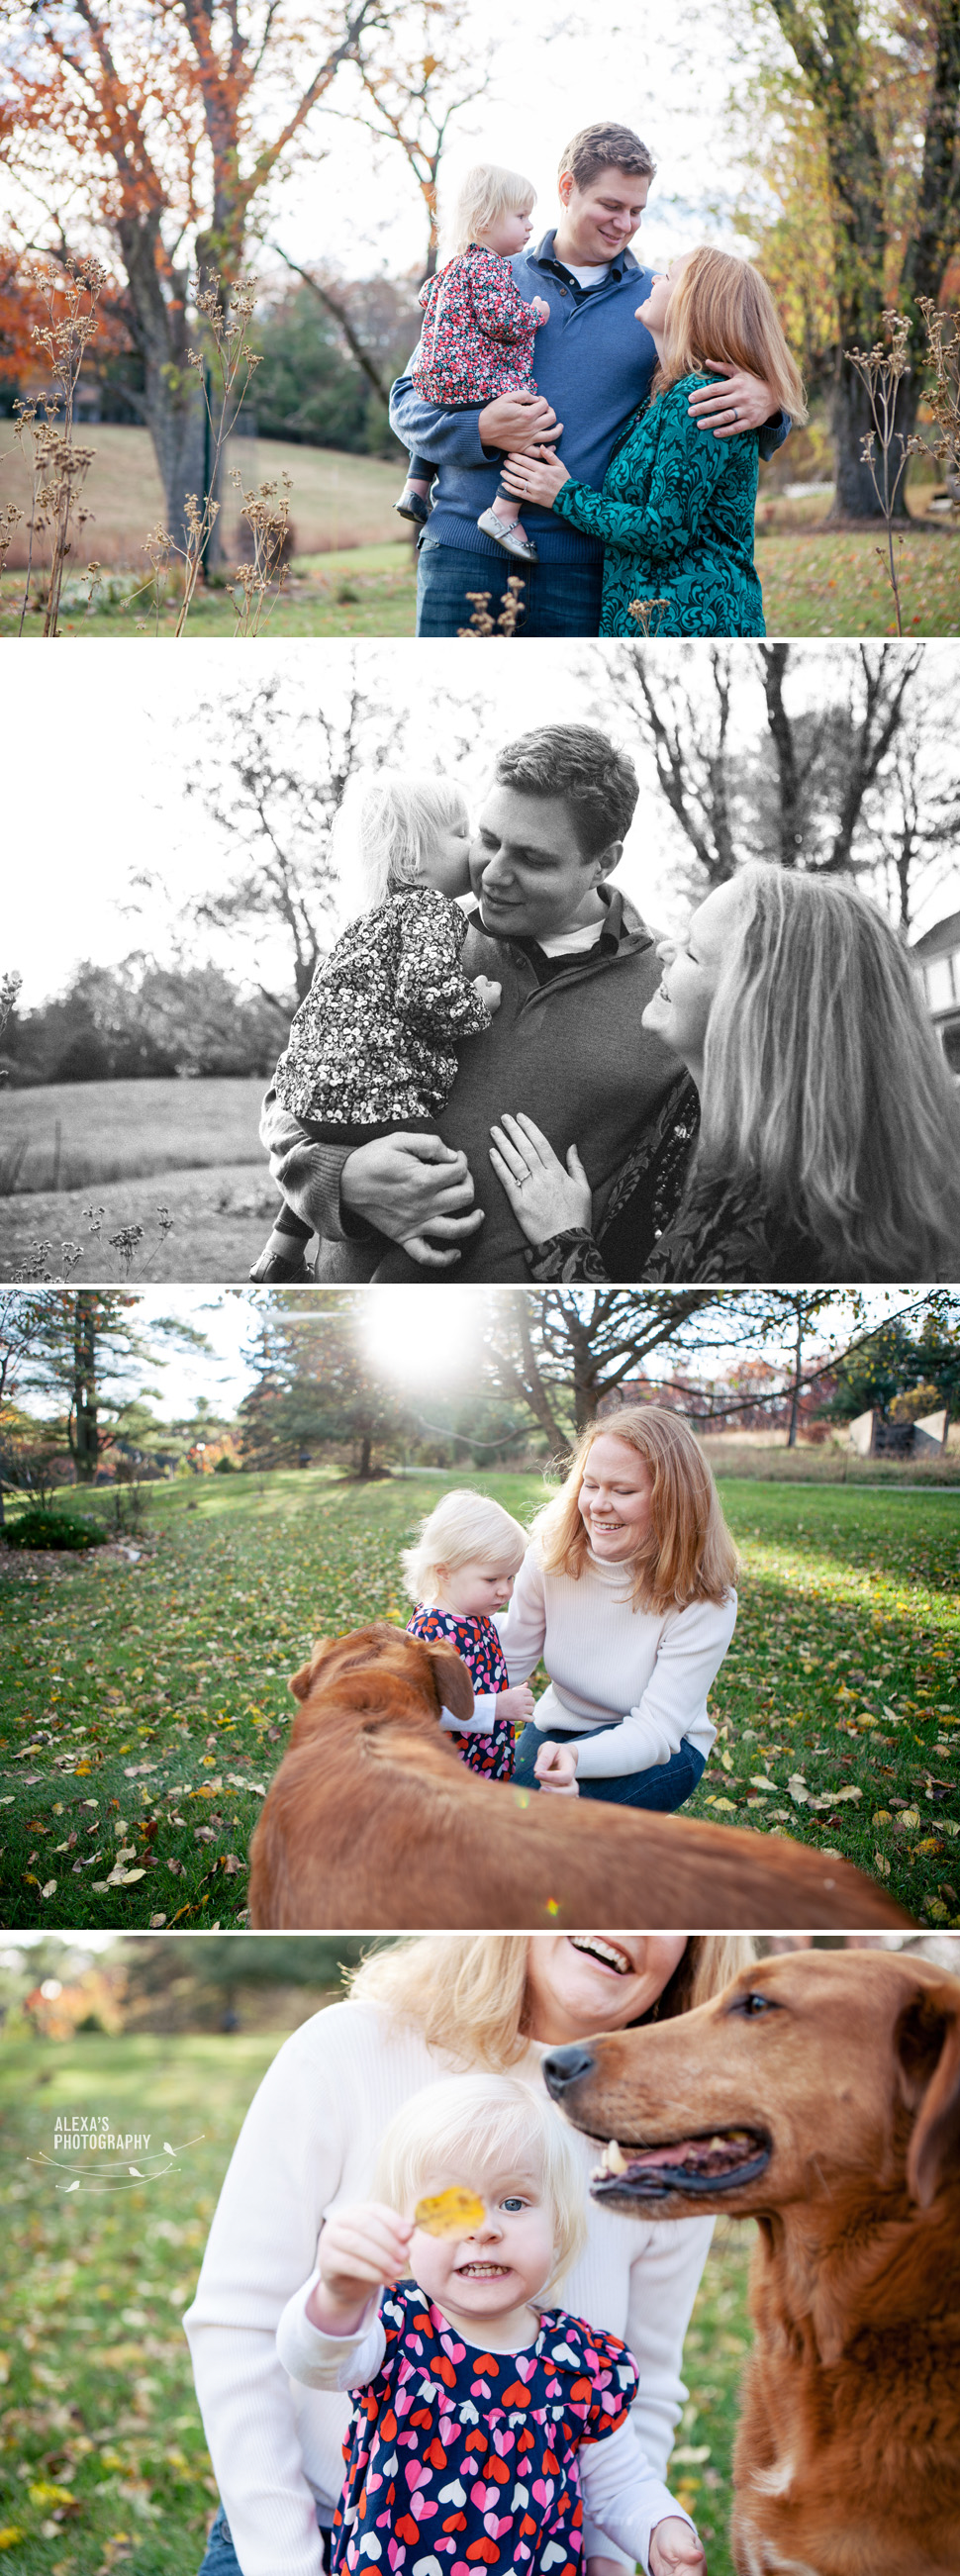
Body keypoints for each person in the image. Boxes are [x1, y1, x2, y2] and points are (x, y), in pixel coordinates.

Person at [185, 1931, 753, 2576]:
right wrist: (285, 2561)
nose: (625, 1919)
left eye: (515, 2204)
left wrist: (623, 2548)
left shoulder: (670, 2139)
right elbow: (264, 2334)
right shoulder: (346, 2051)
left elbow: (636, 2401)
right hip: (314, 2537)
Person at [256, 726, 682, 1286]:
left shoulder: (672, 989)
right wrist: (339, 1178)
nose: (493, 874)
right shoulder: (407, 936)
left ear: (603, 863)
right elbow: (289, 1099)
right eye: (487, 839)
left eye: (532, 859)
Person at [276, 2072, 706, 2576]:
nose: (484, 2229)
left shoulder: (583, 2363)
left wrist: (661, 2525)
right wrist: (339, 2294)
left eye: (514, 2203)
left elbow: (617, 2484)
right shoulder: (392, 2327)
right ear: (405, 2231)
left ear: (559, 2227)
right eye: (452, 2208)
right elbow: (315, 2363)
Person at [389, 123, 791, 638]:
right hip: (465, 552)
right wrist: (482, 430)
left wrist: (769, 402)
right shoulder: (484, 275)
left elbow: (727, 406)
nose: (625, 223)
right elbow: (408, 402)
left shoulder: (664, 303)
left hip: (585, 567)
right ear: (566, 189)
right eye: (610, 205)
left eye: (637, 210)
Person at [487, 868, 960, 1283]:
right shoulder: (689, 1100)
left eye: (693, 955)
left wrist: (563, 1240)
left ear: (757, 1014)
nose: (663, 951)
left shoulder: (783, 1217)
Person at [249, 771, 501, 1284]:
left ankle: (281, 1253)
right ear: (411, 861)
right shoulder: (431, 909)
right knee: (439, 1195)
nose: (475, 845)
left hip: (313, 1097)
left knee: (359, 1154)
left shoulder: (366, 922)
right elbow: (425, 992)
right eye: (461, 834)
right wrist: (476, 1003)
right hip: (380, 1093)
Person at [500, 247, 807, 636]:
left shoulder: (700, 398)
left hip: (691, 620)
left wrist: (563, 494)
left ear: (695, 304)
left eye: (670, 276)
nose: (656, 279)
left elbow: (665, 530)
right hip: (649, 616)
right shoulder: (664, 394)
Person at [499, 1409, 737, 1811]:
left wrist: (578, 1759)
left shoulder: (704, 1595)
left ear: (671, 1500)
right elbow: (509, 1661)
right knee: (490, 1810)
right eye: (590, 1485)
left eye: (622, 1491)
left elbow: (657, 1730)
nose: (597, 1506)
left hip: (662, 1751)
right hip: (559, 1726)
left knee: (531, 1831)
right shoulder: (549, 1557)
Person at [395, 163, 550, 566]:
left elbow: (426, 297)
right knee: (537, 425)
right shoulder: (490, 266)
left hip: (435, 379)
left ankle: (415, 486)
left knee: (447, 410)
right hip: (472, 377)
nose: (530, 226)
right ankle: (504, 512)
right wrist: (535, 313)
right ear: (484, 221)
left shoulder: (453, 265)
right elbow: (503, 319)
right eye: (520, 217)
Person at [401, 1487, 534, 1778]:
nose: (505, 1590)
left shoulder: (473, 1614)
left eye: (511, 1577)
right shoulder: (431, 1631)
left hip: (483, 1756)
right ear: (444, 1572)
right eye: (492, 1579)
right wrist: (496, 1707)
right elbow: (424, 1706)